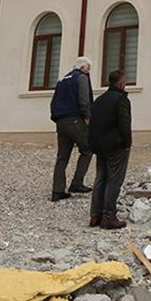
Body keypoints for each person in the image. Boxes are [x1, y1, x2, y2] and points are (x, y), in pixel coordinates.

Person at [88, 69, 132, 229]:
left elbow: (92, 123)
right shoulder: (121, 100)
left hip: (100, 145)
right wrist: (127, 143)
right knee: (114, 180)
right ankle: (109, 217)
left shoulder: (99, 100)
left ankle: (95, 215)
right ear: (121, 83)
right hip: (116, 146)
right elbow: (124, 124)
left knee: (101, 178)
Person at [49, 56, 94, 201]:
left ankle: (57, 190)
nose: (89, 72)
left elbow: (53, 101)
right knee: (87, 149)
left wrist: (56, 117)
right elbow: (84, 99)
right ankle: (77, 183)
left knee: (62, 156)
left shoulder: (62, 79)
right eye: (88, 68)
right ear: (83, 67)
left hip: (60, 121)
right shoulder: (81, 78)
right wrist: (87, 117)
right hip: (75, 119)